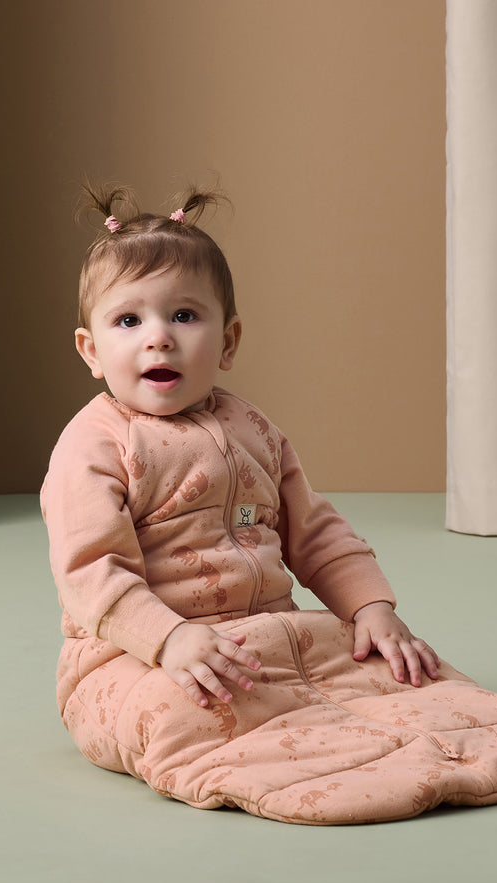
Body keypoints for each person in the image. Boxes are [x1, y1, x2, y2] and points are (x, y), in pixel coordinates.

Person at [41, 184, 441, 715]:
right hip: (138, 652)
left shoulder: (252, 428)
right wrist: (169, 639)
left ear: (228, 342)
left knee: (399, 673)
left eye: (183, 316)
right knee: (185, 712)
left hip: (268, 637)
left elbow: (314, 532)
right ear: (91, 350)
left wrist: (371, 606)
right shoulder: (93, 445)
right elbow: (90, 573)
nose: (158, 337)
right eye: (129, 321)